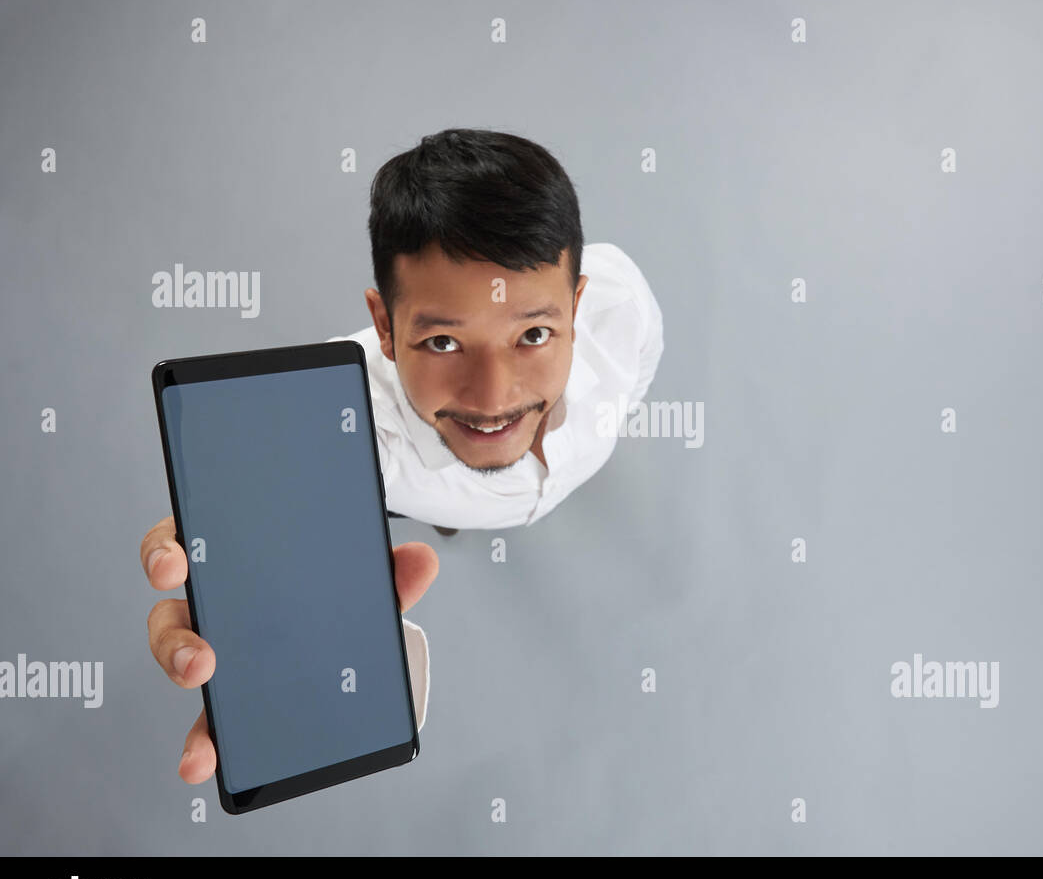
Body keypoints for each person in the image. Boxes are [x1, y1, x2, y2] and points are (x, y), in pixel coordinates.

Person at [142, 128, 665, 783]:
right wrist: (227, 555)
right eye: (444, 342)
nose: (493, 396)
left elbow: (637, 365)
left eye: (533, 333)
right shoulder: (337, 422)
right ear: (386, 328)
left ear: (578, 309)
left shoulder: (623, 307)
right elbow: (256, 490)